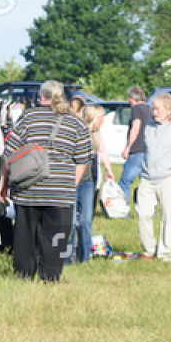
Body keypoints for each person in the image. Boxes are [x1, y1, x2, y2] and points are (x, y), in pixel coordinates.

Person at [0, 80, 92, 282]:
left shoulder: (28, 117)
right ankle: (50, 278)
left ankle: (23, 278)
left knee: (24, 238)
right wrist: (69, 185)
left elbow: (9, 153)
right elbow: (82, 160)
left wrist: (3, 184)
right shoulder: (76, 123)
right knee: (57, 239)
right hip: (60, 192)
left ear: (41, 96)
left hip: (28, 190)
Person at [136, 92, 171, 262]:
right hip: (147, 178)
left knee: (167, 215)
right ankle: (148, 249)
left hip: (169, 178)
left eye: (157, 109)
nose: (153, 112)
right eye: (152, 109)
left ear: (168, 110)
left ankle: (164, 252)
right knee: (143, 214)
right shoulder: (149, 125)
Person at [68, 96, 108, 263]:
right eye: (101, 118)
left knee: (85, 221)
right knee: (70, 223)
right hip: (72, 181)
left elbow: (102, 152)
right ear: (94, 119)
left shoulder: (96, 135)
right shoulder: (79, 131)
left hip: (88, 182)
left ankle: (84, 258)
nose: (103, 122)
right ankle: (67, 258)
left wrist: (109, 170)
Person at [117, 85, 151, 215]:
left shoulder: (136, 109)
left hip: (137, 151)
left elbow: (136, 127)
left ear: (132, 98)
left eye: (129, 98)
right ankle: (147, 211)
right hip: (148, 151)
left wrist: (128, 147)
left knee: (125, 181)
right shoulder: (149, 110)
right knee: (145, 184)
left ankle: (123, 211)